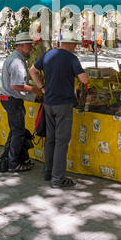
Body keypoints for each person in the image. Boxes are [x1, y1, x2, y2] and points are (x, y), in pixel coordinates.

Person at [29, 31, 88, 188]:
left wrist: (42, 87)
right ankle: (57, 178)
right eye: (74, 44)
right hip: (63, 104)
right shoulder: (71, 58)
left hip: (48, 102)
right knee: (61, 141)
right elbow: (84, 79)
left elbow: (32, 70)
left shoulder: (49, 55)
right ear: (69, 44)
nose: (75, 47)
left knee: (51, 139)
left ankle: (48, 172)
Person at [0, 32, 41, 172]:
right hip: (12, 99)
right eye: (29, 44)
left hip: (10, 99)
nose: (31, 47)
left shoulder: (16, 58)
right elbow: (16, 86)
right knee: (18, 132)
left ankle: (12, 158)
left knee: (15, 131)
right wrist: (35, 89)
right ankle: (13, 163)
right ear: (22, 45)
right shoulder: (17, 61)